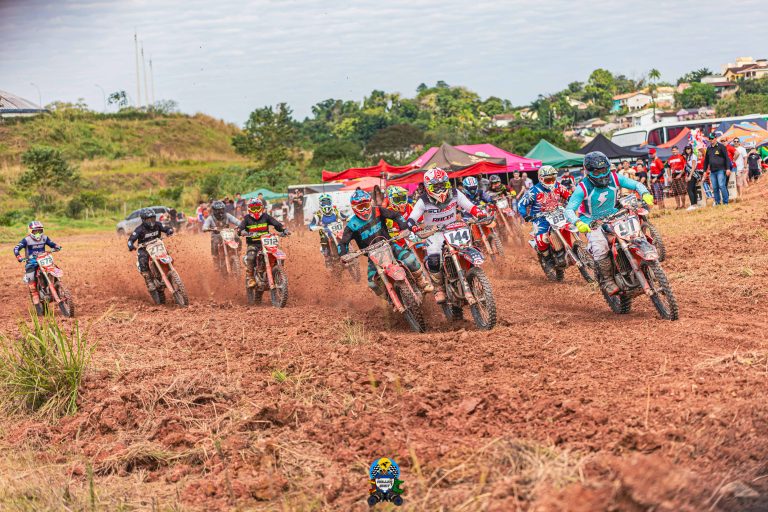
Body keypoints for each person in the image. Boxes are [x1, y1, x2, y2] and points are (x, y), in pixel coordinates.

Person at [565, 151, 653, 295]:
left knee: (635, 233)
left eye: (604, 170)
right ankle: (606, 280)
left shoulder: (615, 178)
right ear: (589, 172)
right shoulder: (583, 187)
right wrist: (578, 222)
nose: (601, 174)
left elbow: (636, 184)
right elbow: (569, 210)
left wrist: (645, 193)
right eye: (597, 171)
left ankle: (647, 263)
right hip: (592, 221)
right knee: (600, 246)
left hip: (614, 214)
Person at [407, 168, 486, 303]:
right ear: (428, 187)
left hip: (454, 228)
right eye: (436, 186)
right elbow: (411, 218)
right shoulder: (423, 200)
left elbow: (470, 206)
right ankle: (439, 288)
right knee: (434, 257)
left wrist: (479, 213)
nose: (440, 188)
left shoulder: (455, 193)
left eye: (443, 184)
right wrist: (413, 226)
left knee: (468, 247)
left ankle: (471, 273)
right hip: (434, 232)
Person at [338, 190, 432, 296]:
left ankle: (421, 282)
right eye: (360, 207)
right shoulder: (352, 225)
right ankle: (387, 298)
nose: (364, 210)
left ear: (370, 203)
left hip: (389, 245)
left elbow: (396, 215)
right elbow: (343, 243)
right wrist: (343, 255)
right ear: (354, 208)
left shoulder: (378, 210)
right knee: (372, 284)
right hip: (372, 255)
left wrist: (403, 227)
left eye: (366, 205)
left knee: (410, 260)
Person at [517, 165, 572, 273]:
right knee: (542, 238)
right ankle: (547, 260)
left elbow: (568, 195)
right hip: (540, 218)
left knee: (571, 225)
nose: (551, 182)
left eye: (553, 179)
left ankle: (571, 250)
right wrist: (525, 215)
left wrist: (572, 201)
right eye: (548, 179)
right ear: (541, 179)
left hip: (557, 214)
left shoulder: (558, 186)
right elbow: (521, 204)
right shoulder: (533, 191)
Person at [237, 198, 290, 288]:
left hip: (266, 244)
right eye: (253, 208)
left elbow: (276, 224)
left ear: (261, 207)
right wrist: (242, 232)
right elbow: (240, 229)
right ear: (249, 209)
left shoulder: (266, 216)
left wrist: (283, 229)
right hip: (253, 244)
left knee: (278, 254)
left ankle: (277, 273)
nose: (256, 210)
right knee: (251, 256)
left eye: (258, 208)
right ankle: (250, 277)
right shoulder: (246, 219)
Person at [13, 221, 62, 310]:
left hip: (43, 260)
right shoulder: (26, 240)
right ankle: (35, 297)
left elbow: (52, 244)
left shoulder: (44, 238)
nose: (38, 233)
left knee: (54, 268)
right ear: (30, 231)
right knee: (31, 279)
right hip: (32, 262)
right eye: (35, 231)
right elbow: (16, 248)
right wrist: (19, 256)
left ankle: (57, 286)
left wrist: (56, 246)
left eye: (39, 231)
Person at [127, 209, 174, 291]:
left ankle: (170, 272)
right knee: (142, 259)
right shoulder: (139, 229)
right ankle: (149, 281)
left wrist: (169, 230)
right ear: (144, 220)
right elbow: (130, 240)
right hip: (144, 248)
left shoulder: (158, 224)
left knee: (167, 254)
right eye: (149, 219)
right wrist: (131, 245)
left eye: (152, 218)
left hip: (157, 245)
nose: (151, 221)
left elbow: (166, 228)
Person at [308, 193, 347, 265]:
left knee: (347, 233)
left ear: (330, 202)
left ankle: (349, 249)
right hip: (325, 232)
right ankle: (327, 256)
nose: (326, 204)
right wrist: (313, 227)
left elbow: (343, 217)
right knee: (324, 238)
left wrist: (347, 218)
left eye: (327, 202)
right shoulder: (318, 214)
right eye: (324, 202)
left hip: (337, 230)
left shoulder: (335, 211)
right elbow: (311, 224)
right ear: (320, 203)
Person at [203, 200, 241, 269]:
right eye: (218, 210)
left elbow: (236, 221)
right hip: (216, 235)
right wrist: (206, 228)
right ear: (214, 210)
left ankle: (238, 253)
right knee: (215, 242)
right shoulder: (210, 218)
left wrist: (241, 225)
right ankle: (216, 261)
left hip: (227, 233)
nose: (220, 212)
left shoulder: (227, 215)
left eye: (222, 209)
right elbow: (205, 226)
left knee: (237, 237)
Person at [702, 132, 732, 205]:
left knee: (722, 185)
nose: (711, 140)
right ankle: (718, 202)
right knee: (715, 188)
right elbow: (706, 161)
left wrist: (728, 168)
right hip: (712, 171)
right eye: (710, 139)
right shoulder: (708, 148)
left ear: (715, 138)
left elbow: (727, 158)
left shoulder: (721, 147)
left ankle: (725, 202)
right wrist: (704, 171)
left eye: (712, 138)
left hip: (721, 170)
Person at [683, 145, 700, 210]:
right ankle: (695, 204)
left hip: (693, 174)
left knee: (689, 189)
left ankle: (693, 204)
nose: (688, 150)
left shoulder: (693, 156)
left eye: (689, 149)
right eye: (686, 149)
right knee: (693, 189)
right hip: (690, 174)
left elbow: (693, 167)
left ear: (691, 149)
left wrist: (690, 176)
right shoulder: (688, 157)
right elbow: (687, 168)